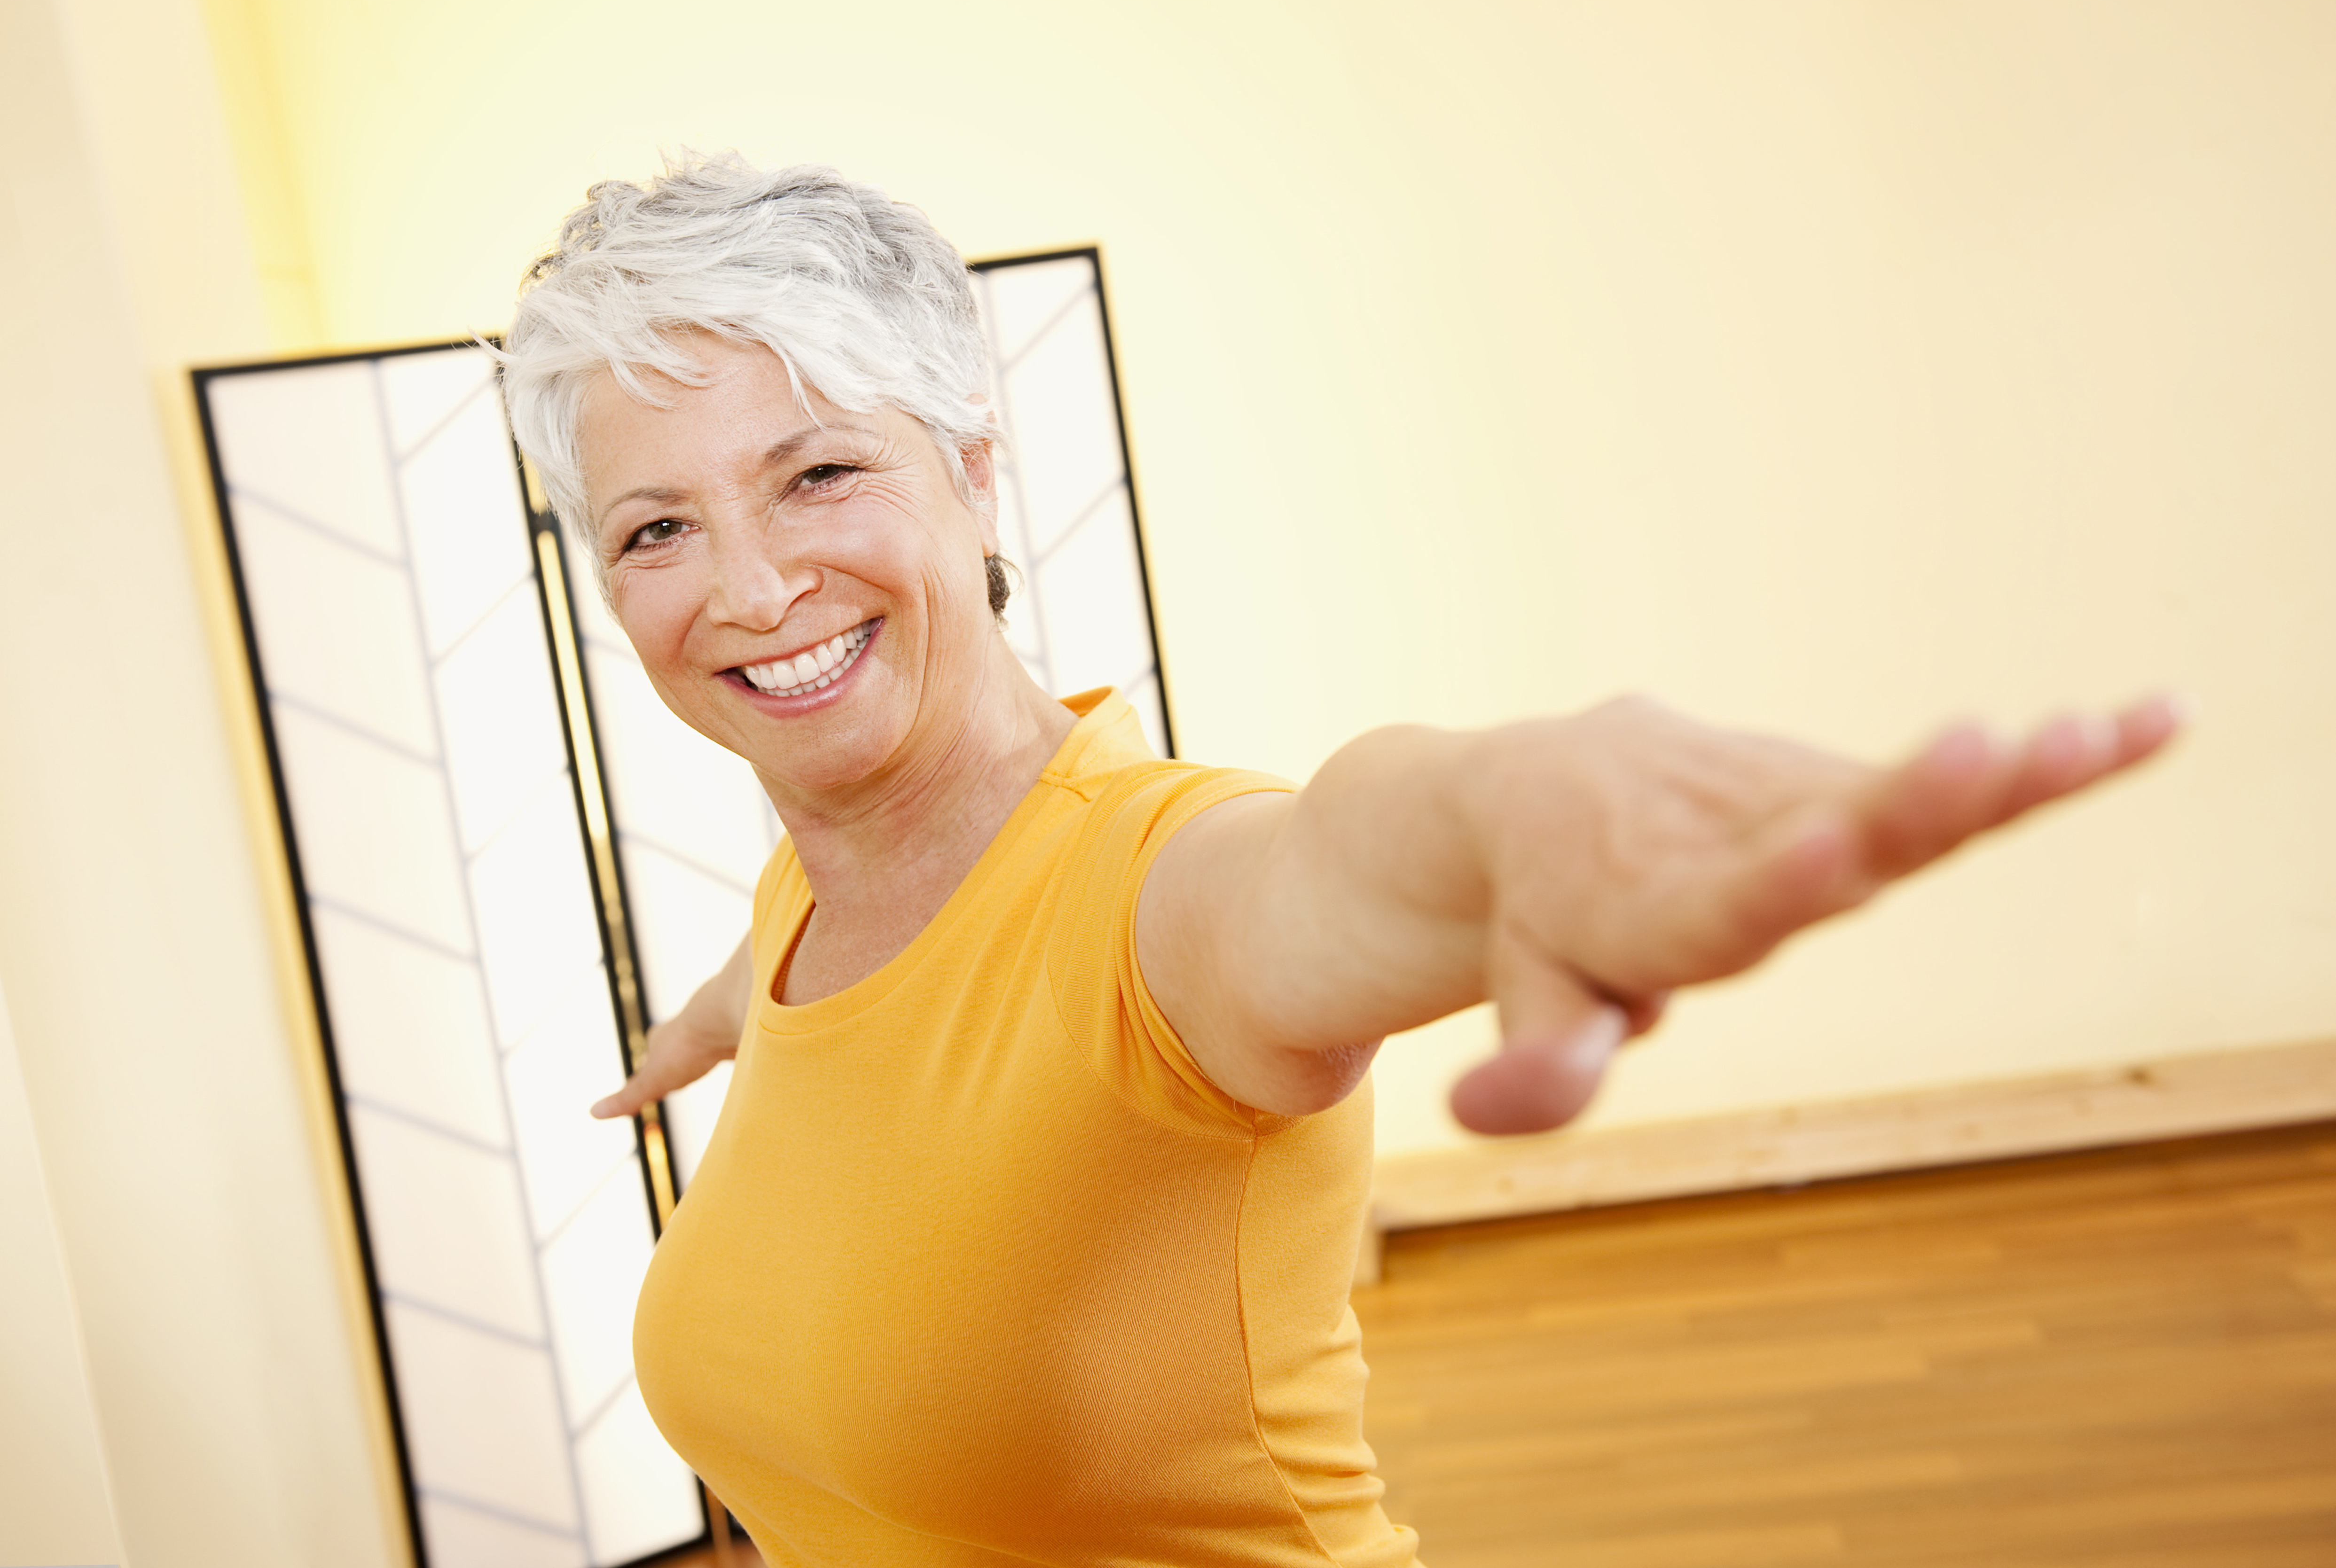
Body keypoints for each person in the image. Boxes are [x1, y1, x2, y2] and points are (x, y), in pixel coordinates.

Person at [498, 154, 2178, 1567]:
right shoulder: (813, 886)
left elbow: (1329, 870)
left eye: (820, 475)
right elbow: (858, 1014)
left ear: (976, 473)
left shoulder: (1157, 889)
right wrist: (712, 1023)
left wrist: (1497, 824)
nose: (749, 585)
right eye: (657, 526)